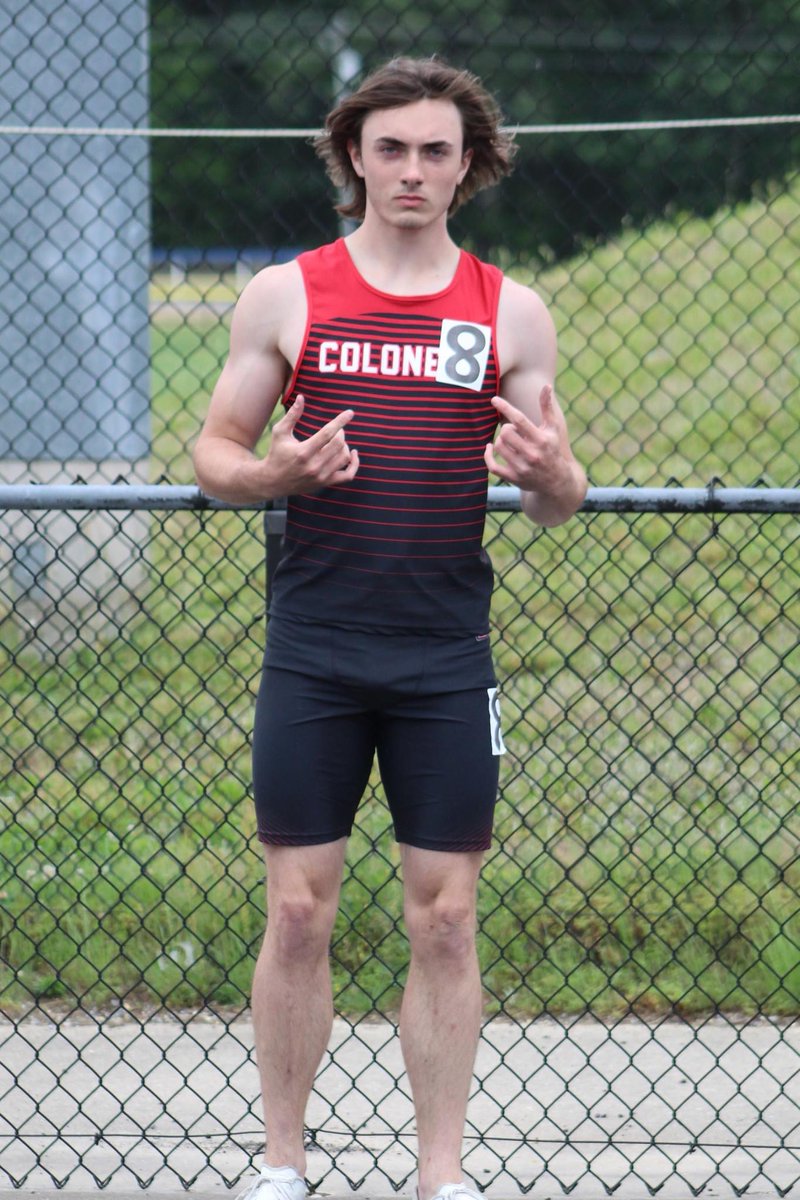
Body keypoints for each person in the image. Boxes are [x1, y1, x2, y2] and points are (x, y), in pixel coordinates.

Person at [193, 55, 587, 1200]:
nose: (411, 170)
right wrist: (271, 474)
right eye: (390, 148)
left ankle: (440, 1173)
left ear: (468, 167)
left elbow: (551, 498)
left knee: (447, 918)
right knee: (299, 909)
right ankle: (281, 1161)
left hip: (441, 658)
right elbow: (215, 451)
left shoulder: (508, 308)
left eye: (434, 151)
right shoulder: (288, 293)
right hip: (314, 649)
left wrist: (556, 470)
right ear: (352, 156)